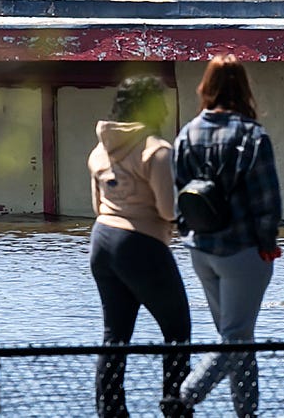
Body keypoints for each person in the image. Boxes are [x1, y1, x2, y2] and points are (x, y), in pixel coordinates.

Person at [173, 55, 283, 418]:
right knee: (236, 339)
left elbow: (180, 196)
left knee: (237, 337)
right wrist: (267, 244)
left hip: (201, 250)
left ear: (206, 86)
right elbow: (267, 200)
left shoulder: (187, 133)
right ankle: (184, 396)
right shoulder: (253, 136)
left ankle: (246, 414)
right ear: (244, 88)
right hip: (242, 251)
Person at [88, 76, 192, 418]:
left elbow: (98, 207)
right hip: (142, 245)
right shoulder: (156, 151)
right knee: (177, 329)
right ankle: (175, 406)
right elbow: (166, 210)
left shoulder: (99, 151)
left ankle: (111, 411)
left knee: (114, 334)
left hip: (101, 242)